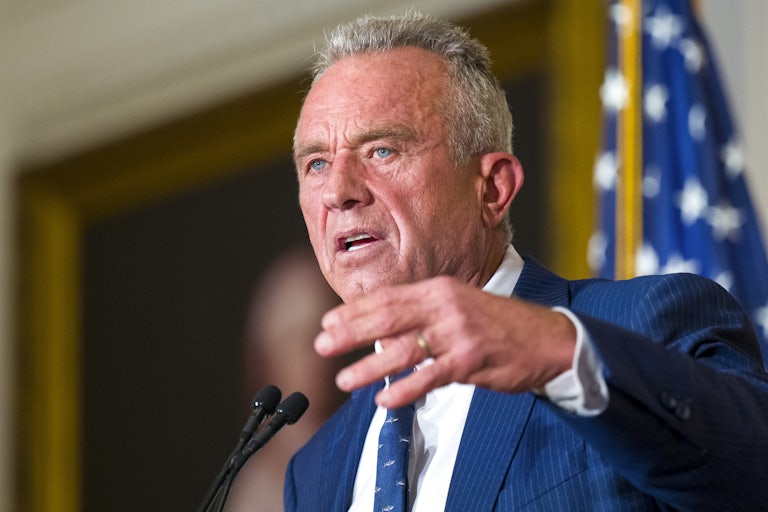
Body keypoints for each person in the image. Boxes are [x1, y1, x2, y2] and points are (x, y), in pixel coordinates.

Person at [283, 11, 768, 511]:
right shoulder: (315, 469)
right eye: (316, 163)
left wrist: (560, 354)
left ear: (493, 189)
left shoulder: (641, 324)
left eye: (382, 151)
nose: (337, 192)